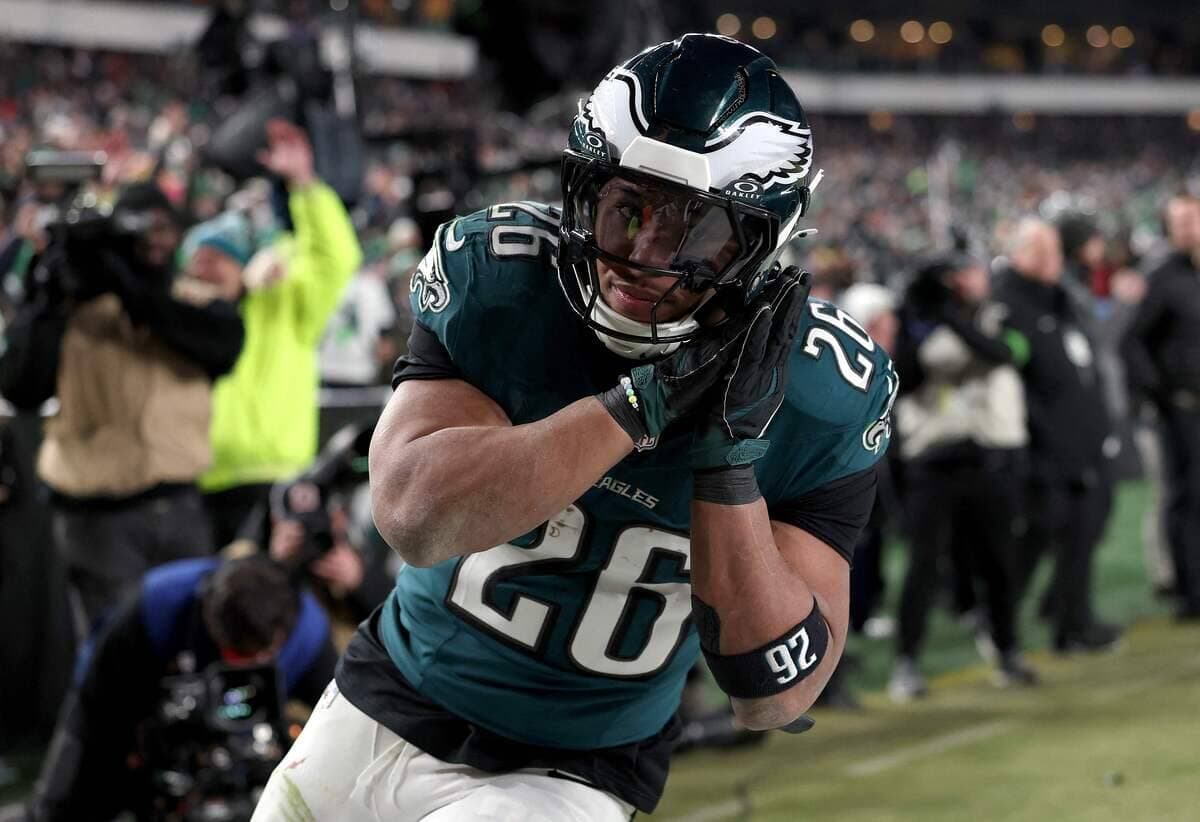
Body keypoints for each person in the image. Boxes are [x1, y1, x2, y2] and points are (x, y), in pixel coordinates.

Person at [253, 35, 897, 821]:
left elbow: (775, 691)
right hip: (385, 697)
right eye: (627, 210)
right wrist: (636, 408)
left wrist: (727, 467)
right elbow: (414, 518)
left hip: (573, 768)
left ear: (760, 243)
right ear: (581, 189)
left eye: (694, 231)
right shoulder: (505, 280)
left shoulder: (821, 390)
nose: (643, 257)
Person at [0, 181, 244, 631]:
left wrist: (129, 284)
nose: (154, 240)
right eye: (141, 229)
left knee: (190, 643)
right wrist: (47, 298)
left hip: (180, 506)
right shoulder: (73, 308)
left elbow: (221, 347)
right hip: (95, 516)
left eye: (163, 228)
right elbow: (21, 387)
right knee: (115, 650)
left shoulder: (195, 302)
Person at [24, 555, 338, 822]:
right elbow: (95, 703)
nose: (243, 667)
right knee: (66, 799)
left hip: (254, 747)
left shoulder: (309, 636)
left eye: (257, 657)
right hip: (142, 710)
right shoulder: (158, 606)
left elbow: (337, 727)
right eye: (235, 655)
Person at [188, 119, 363, 548]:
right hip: (199, 483)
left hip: (273, 477)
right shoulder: (185, 320)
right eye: (197, 261)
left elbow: (335, 257)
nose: (204, 270)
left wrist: (304, 184)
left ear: (243, 261)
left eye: (217, 259)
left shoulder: (284, 305)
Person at [887, 254, 1035, 700]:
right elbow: (904, 379)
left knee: (998, 562)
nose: (967, 284)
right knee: (924, 565)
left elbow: (1004, 353)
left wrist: (950, 316)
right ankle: (907, 661)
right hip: (932, 461)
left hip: (988, 457)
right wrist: (920, 318)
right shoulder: (917, 323)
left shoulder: (999, 315)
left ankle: (1007, 650)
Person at [993, 218, 1122, 652]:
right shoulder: (1007, 304)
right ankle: (999, 623)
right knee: (1035, 537)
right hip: (1041, 448)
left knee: (1083, 533)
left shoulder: (1060, 298)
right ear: (1018, 254)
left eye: (1054, 250)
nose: (1053, 259)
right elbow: (1016, 381)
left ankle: (1073, 624)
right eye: (1041, 250)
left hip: (1082, 439)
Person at [1121, 194, 1200, 621]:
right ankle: (1190, 593)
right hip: (1183, 409)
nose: (1188, 227)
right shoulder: (1162, 278)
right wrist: (1160, 394)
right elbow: (1132, 341)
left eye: (1193, 218)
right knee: (1185, 498)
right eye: (1179, 221)